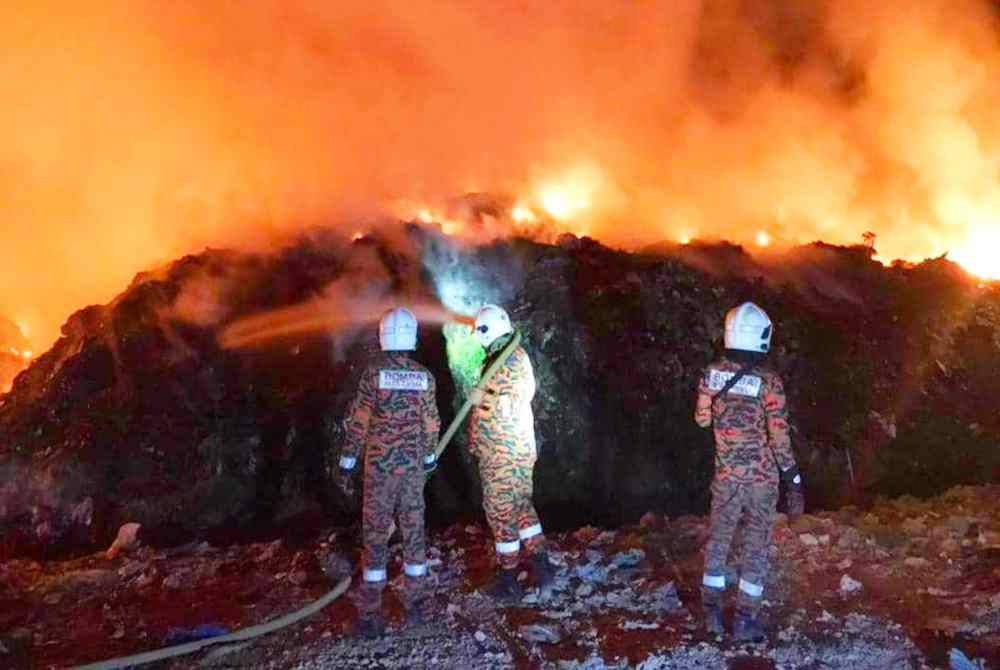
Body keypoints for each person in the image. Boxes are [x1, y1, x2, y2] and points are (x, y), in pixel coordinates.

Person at [694, 302, 804, 641]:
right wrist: (793, 477)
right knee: (756, 544)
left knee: (720, 539)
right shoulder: (769, 382)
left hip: (726, 477)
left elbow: (701, 420)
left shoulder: (711, 374)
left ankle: (710, 614)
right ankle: (744, 619)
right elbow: (779, 436)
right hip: (761, 482)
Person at [338, 307, 440, 638]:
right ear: (412, 338)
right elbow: (431, 423)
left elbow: (360, 422)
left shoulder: (373, 375)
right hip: (411, 470)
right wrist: (428, 457)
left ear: (383, 336)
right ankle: (417, 610)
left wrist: (347, 461)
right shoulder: (424, 377)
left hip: (379, 470)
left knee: (376, 534)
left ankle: (371, 617)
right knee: (413, 532)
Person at [467, 304, 555, 600]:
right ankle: (543, 570)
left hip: (501, 454)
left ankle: (509, 580)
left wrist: (476, 435)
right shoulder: (516, 356)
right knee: (521, 507)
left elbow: (488, 411)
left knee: (500, 513)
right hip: (518, 450)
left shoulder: (501, 362)